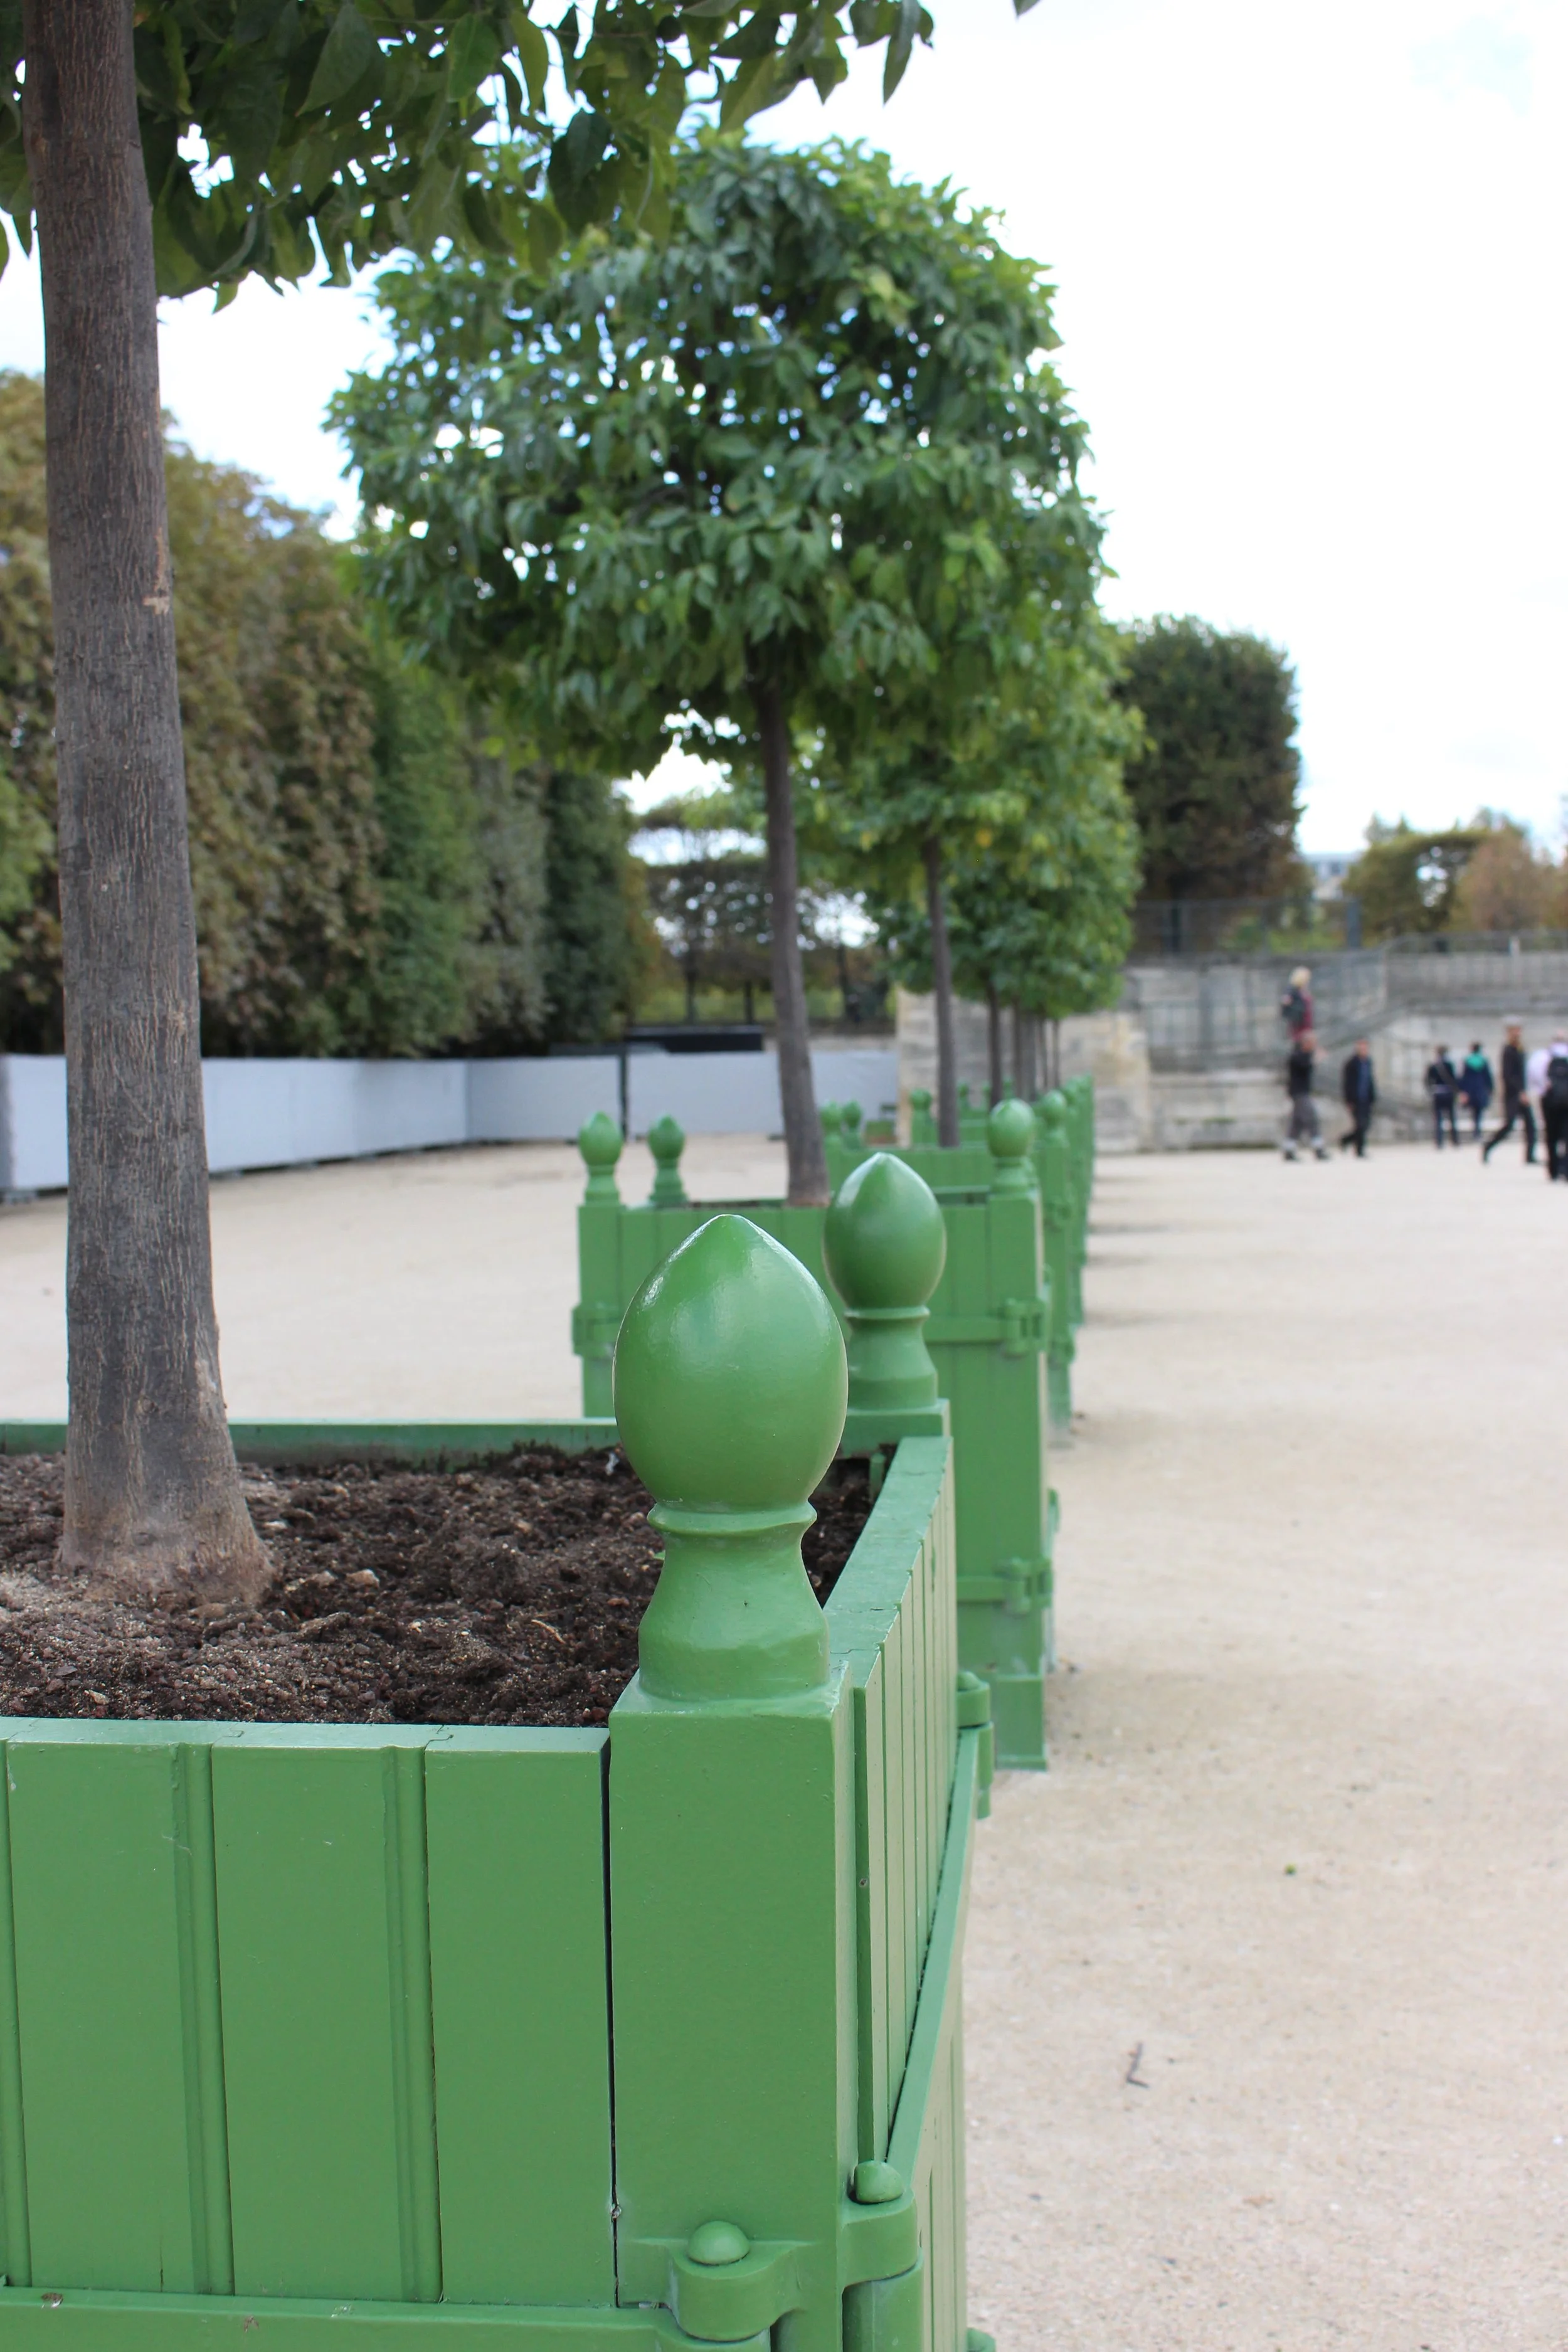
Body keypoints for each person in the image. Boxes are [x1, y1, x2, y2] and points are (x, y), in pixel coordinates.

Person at [1482, 1022, 1536, 1165]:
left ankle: (1530, 1156)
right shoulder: (1508, 1050)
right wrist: (1520, 1092)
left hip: (1522, 1092)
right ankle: (1488, 1146)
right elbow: (1508, 1075)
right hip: (1513, 1095)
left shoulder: (1520, 1049)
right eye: (1515, 1031)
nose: (1518, 1034)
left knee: (1531, 1126)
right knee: (1509, 1125)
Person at [1283, 1027, 1329, 1160]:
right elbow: (1306, 1066)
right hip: (1299, 1093)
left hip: (1303, 1092)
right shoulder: (1297, 1056)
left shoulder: (1304, 1056)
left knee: (1296, 1124)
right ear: (1306, 1043)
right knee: (1312, 1119)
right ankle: (1318, 1148)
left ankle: (1289, 1149)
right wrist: (1316, 1058)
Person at [1528, 1030, 1568, 1181]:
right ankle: (1566, 1168)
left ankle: (1553, 1170)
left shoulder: (1542, 1056)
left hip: (1549, 1101)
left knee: (1551, 1136)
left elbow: (1534, 1078)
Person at [1339, 1038, 1376, 1156]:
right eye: (1361, 1047)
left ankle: (1346, 1140)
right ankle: (1360, 1150)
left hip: (1366, 1098)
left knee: (1367, 1124)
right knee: (1360, 1124)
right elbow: (1347, 1083)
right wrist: (1349, 1100)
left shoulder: (1368, 1062)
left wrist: (1373, 1095)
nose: (1363, 1049)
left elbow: (1371, 1081)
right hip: (1356, 1099)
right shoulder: (1351, 1064)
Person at [1424, 1045, 1460, 1147]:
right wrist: (1456, 1091)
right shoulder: (1450, 1065)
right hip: (1448, 1093)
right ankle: (1454, 1140)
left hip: (1437, 1093)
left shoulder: (1433, 1065)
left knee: (1438, 1119)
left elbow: (1427, 1080)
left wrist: (1430, 1090)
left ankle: (1439, 1141)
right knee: (1452, 1118)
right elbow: (1454, 1079)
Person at [1458, 1042, 1493, 1141]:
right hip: (1480, 1089)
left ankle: (1475, 1131)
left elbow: (1463, 1077)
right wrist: (1490, 1088)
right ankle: (1478, 1131)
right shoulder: (1484, 1061)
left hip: (1470, 1090)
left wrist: (1462, 1090)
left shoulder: (1467, 1061)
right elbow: (1488, 1076)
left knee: (1473, 1111)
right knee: (1479, 1112)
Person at [1280, 965, 1314, 1039]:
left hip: (1306, 1021)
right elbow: (1285, 1001)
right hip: (1299, 1023)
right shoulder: (1292, 990)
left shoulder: (1303, 990)